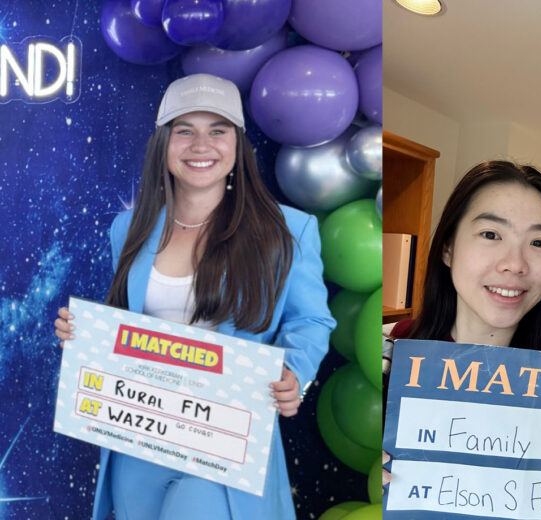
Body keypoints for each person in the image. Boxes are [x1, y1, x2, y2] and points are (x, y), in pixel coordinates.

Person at [53, 73, 335, 520]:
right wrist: (82, 332)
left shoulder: (288, 231)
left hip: (225, 439)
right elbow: (125, 321)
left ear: (237, 146)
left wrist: (295, 371)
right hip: (139, 437)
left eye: (217, 131)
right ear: (163, 145)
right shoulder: (126, 229)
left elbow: (311, 321)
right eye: (184, 130)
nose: (200, 145)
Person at [382, 160, 541, 485]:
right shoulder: (385, 356)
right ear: (448, 248)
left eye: (538, 242)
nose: (515, 264)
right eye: (491, 234)